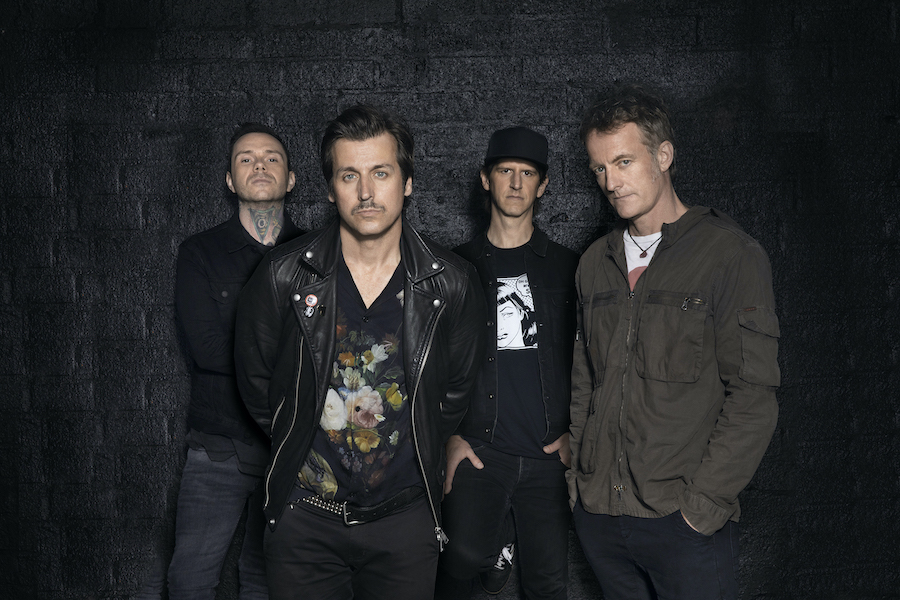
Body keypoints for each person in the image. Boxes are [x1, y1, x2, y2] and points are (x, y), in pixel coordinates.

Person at [233, 104, 486, 600]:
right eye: (349, 175)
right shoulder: (283, 275)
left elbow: (454, 392)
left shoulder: (451, 283)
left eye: (381, 173)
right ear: (331, 188)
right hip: (305, 521)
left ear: (407, 183)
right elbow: (260, 385)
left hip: (405, 522)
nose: (366, 192)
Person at [568, 84, 780, 600]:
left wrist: (701, 507)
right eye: (599, 168)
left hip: (683, 523)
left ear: (663, 155)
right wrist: (577, 486)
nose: (611, 183)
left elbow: (753, 396)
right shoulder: (594, 263)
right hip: (601, 517)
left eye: (623, 162)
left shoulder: (729, 254)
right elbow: (584, 384)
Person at [436, 127, 578, 599]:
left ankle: (510, 537)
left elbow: (594, 358)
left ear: (543, 185)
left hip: (548, 453)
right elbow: (432, 363)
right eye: (505, 171)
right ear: (485, 179)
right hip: (482, 446)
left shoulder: (570, 267)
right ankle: (500, 541)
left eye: (528, 173)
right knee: (460, 557)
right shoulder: (455, 268)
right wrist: (450, 437)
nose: (516, 183)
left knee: (547, 584)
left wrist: (578, 434)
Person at [167, 122, 303, 599]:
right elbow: (206, 348)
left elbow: (336, 346)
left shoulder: (318, 253)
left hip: (293, 450)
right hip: (218, 447)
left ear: (290, 179)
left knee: (269, 582)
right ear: (230, 180)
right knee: (189, 582)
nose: (259, 165)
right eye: (246, 159)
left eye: (271, 158)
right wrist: (293, 349)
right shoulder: (199, 252)